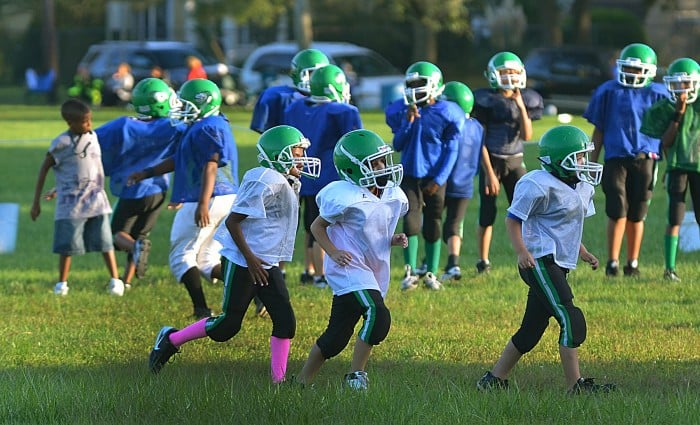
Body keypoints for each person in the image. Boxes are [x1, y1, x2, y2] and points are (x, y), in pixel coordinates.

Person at [148, 125, 321, 383]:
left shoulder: (287, 180)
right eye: (297, 152)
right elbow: (233, 222)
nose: (301, 158)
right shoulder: (265, 180)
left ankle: (278, 382)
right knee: (227, 327)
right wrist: (250, 259)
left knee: (285, 322)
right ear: (280, 154)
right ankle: (170, 339)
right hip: (244, 260)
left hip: (266, 262)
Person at [477, 125, 615, 395]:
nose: (584, 163)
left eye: (584, 156)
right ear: (559, 160)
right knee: (569, 316)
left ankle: (493, 379)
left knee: (531, 328)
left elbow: (566, 226)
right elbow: (513, 219)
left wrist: (582, 251)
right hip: (538, 260)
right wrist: (521, 251)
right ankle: (575, 386)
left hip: (557, 261)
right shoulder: (537, 183)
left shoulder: (582, 185)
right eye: (578, 157)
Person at [295, 129, 408, 390]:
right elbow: (316, 227)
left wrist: (392, 239)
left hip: (373, 266)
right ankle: (356, 376)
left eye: (382, 161)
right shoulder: (344, 195)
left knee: (335, 337)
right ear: (353, 169)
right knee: (378, 315)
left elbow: (372, 230)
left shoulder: (391, 194)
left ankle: (300, 382)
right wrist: (332, 252)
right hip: (349, 267)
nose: (382, 167)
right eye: (374, 163)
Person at [128, 78, 238, 319]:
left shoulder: (208, 127)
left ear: (204, 103)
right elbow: (182, 160)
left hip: (209, 198)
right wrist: (147, 173)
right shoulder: (207, 124)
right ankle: (257, 294)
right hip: (224, 198)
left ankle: (201, 308)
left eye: (188, 103)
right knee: (207, 259)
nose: (182, 108)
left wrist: (201, 203)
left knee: (181, 256)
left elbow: (210, 166)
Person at [583, 43, 667, 277]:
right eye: (628, 68)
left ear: (649, 71)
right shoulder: (609, 91)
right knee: (617, 210)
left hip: (646, 159)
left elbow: (669, 133)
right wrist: (592, 161)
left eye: (637, 69)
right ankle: (612, 262)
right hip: (615, 159)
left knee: (637, 213)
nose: (631, 73)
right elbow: (598, 130)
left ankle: (632, 263)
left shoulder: (659, 94)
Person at [250, 48, 330, 284]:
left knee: (313, 222)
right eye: (311, 74)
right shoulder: (280, 96)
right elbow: (268, 135)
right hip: (287, 168)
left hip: (317, 168)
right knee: (284, 220)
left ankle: (311, 269)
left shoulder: (330, 104)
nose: (315, 80)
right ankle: (279, 269)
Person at [30, 99, 125, 297]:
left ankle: (115, 281)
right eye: (84, 121)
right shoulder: (61, 143)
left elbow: (87, 169)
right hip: (71, 205)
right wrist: (36, 201)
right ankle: (61, 284)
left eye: (90, 120)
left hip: (97, 201)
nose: (89, 124)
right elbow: (44, 168)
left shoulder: (93, 137)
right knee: (67, 246)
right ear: (70, 123)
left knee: (105, 243)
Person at [95, 78, 181, 288]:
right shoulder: (173, 127)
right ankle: (127, 281)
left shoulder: (124, 125)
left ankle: (134, 249)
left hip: (133, 189)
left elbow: (92, 139)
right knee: (140, 236)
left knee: (115, 235)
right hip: (159, 190)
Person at [385, 61, 463, 290]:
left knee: (433, 224)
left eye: (420, 84)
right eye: (412, 84)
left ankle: (431, 271)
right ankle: (409, 271)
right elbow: (397, 144)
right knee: (411, 221)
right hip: (410, 174)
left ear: (435, 85)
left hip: (435, 176)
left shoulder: (447, 112)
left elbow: (452, 150)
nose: (415, 89)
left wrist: (439, 179)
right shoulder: (402, 110)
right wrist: (408, 122)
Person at [284, 64, 362, 289]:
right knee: (325, 225)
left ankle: (310, 270)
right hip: (330, 177)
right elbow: (353, 143)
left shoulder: (296, 107)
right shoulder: (344, 112)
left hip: (302, 173)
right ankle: (321, 275)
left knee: (309, 225)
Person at [473, 51, 543, 274]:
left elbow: (527, 135)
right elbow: (479, 141)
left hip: (515, 161)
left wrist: (520, 106)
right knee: (487, 213)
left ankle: (527, 254)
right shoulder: (486, 100)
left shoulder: (527, 99)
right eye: (505, 73)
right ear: (493, 75)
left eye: (513, 72)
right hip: (492, 161)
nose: (510, 77)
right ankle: (483, 261)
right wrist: (490, 173)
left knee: (525, 211)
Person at [640, 57, 700, 282]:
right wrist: (678, 114)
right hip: (677, 168)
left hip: (698, 168)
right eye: (677, 84)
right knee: (674, 217)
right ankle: (670, 268)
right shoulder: (666, 107)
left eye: (686, 84)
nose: (682, 89)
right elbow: (665, 142)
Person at [438, 81, 483, 281]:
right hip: (465, 182)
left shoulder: (449, 123)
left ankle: (430, 262)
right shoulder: (478, 126)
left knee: (434, 221)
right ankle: (453, 263)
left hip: (444, 180)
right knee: (455, 224)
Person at [250, 48, 330, 134]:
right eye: (311, 73)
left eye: (319, 74)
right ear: (297, 74)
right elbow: (269, 138)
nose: (316, 78)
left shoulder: (334, 100)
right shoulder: (277, 96)